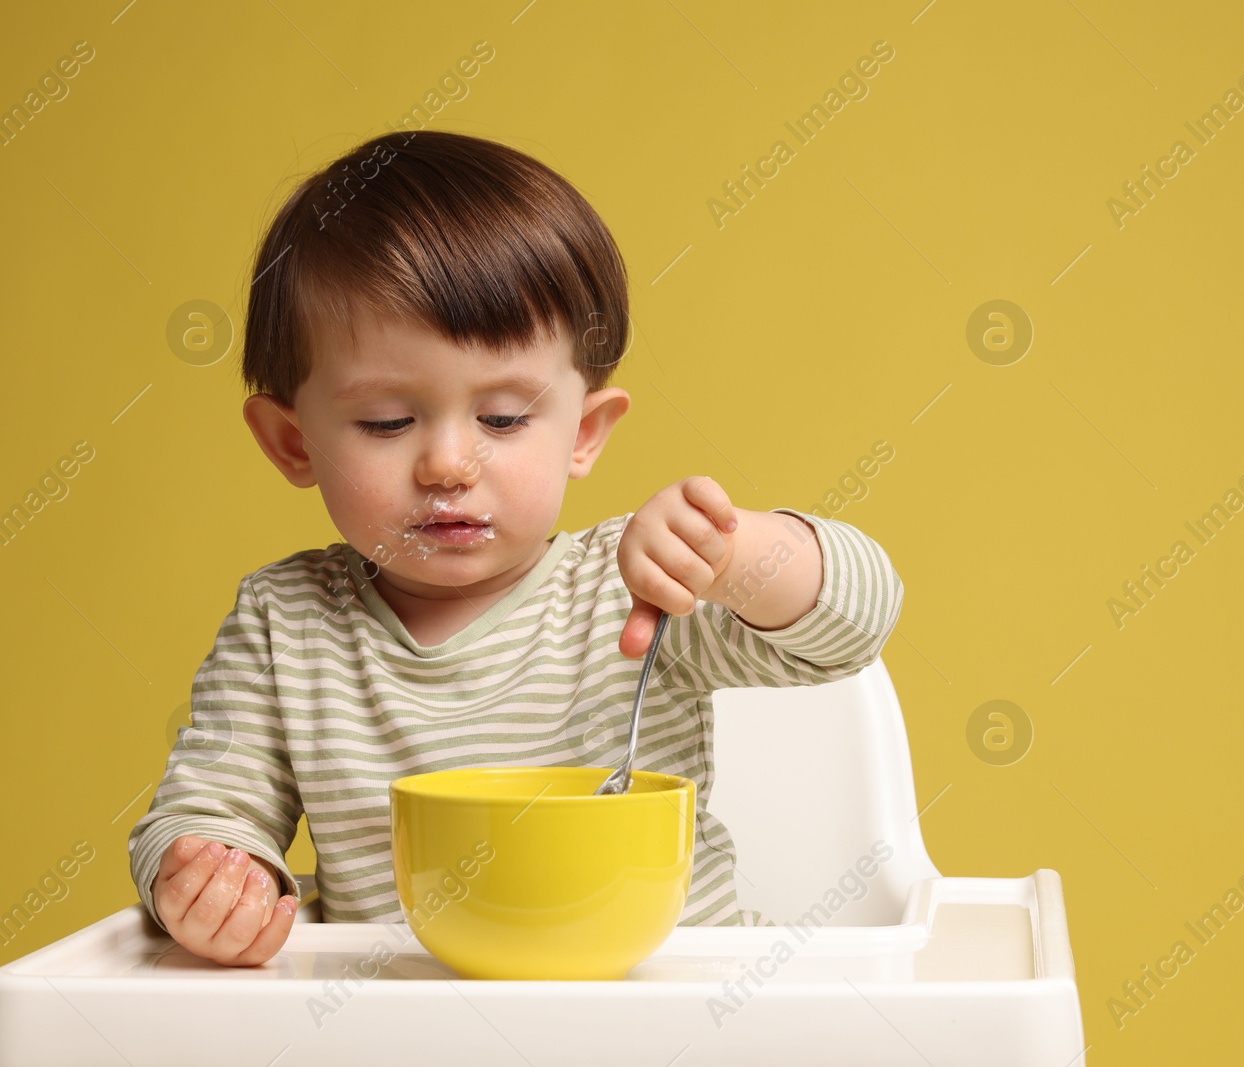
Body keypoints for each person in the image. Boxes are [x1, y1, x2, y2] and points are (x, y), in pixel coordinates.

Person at [126, 130, 903, 967]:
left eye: (502, 418)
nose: (450, 464)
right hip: (404, 1031)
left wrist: (736, 549)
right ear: (293, 442)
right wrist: (209, 879)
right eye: (387, 421)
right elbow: (204, 809)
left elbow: (856, 622)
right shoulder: (286, 626)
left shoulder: (638, 587)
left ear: (586, 431)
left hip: (675, 1019)